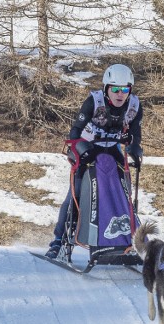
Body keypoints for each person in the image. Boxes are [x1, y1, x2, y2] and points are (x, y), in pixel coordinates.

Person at [45, 64, 143, 258]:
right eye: (115, 89)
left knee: (122, 190)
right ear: (106, 88)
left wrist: (134, 150)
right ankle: (58, 240)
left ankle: (122, 239)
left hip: (112, 149)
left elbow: (135, 135)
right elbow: (74, 133)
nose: (120, 94)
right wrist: (81, 151)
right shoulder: (94, 101)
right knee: (76, 192)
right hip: (86, 147)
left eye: (125, 89)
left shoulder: (134, 106)